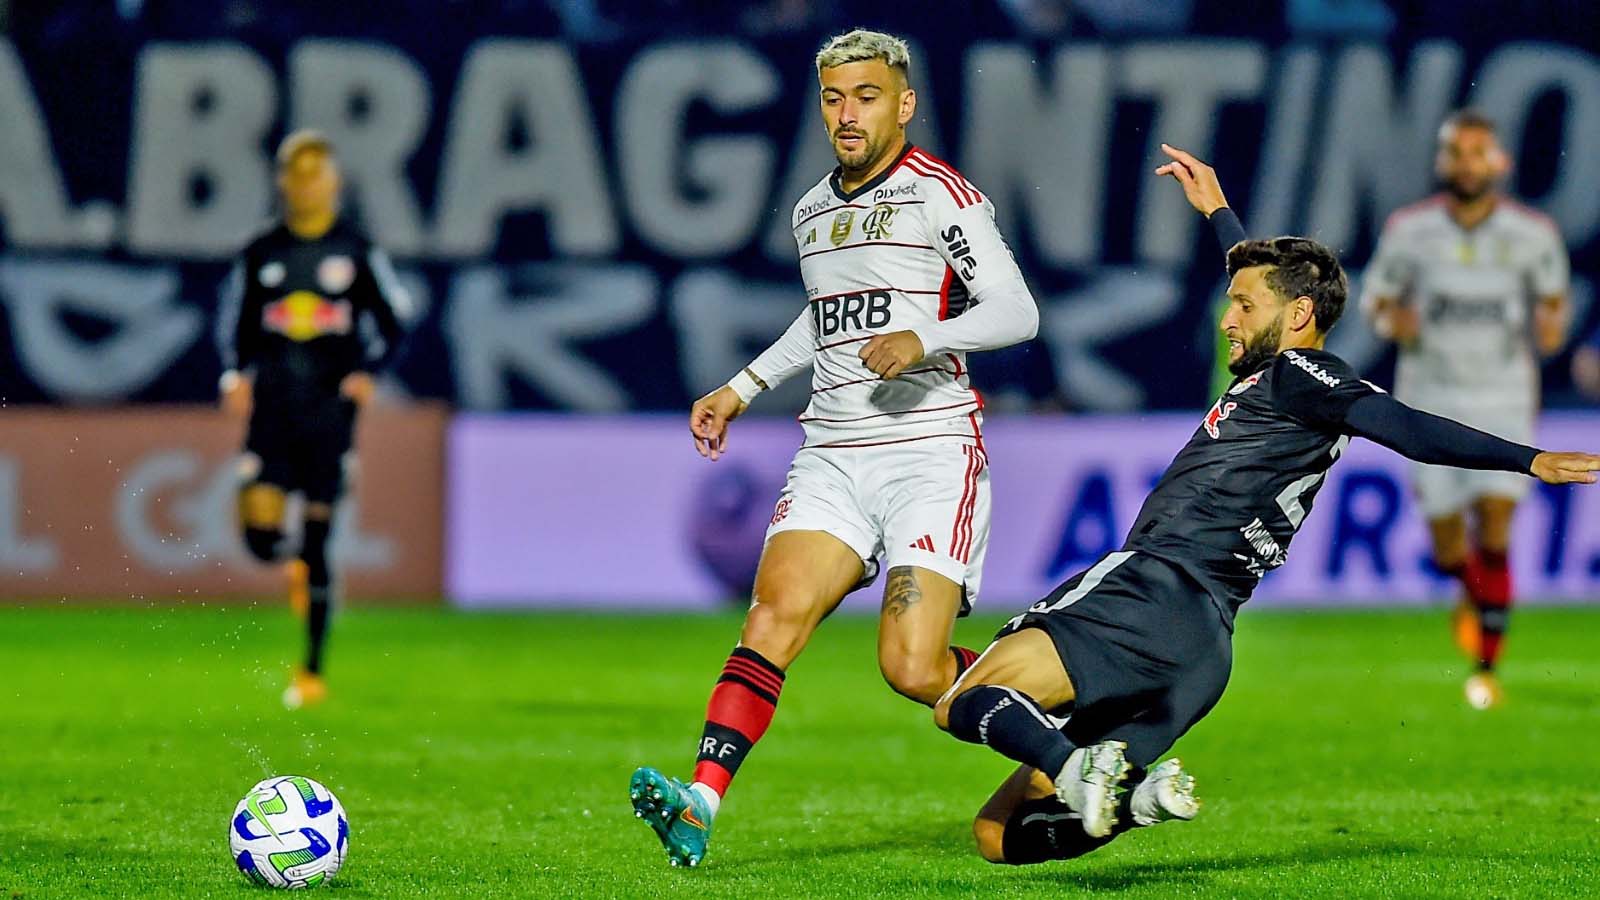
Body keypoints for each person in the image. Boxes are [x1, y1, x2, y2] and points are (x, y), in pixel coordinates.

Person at [928, 144, 1598, 863]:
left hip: (1154, 588)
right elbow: (1265, 286)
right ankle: (1139, 799)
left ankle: (1073, 767)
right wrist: (1219, 214)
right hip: (1203, 649)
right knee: (999, 836)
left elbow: (1402, 426)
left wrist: (1527, 459)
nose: (1228, 321)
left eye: (1243, 307)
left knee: (961, 699)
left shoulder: (1300, 374)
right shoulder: (1287, 379)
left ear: (1301, 315)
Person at [629, 29, 1039, 868]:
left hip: (927, 449)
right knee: (772, 616)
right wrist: (741, 386)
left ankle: (1061, 720)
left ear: (904, 103)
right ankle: (700, 802)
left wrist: (925, 336)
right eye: (833, 98)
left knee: (913, 668)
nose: (847, 114)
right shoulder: (812, 209)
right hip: (833, 454)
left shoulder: (942, 196)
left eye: (866, 96)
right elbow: (822, 318)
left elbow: (1016, 311)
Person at [1361, 110, 1571, 707]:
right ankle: (1466, 586)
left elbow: (1554, 302)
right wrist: (1389, 319)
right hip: (1431, 401)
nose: (1469, 163)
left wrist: (1551, 326)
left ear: (1499, 163)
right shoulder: (1409, 230)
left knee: (1498, 528)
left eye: (1480, 153)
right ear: (1443, 162)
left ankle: (1486, 666)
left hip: (1504, 395)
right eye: (1458, 152)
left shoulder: (1534, 234)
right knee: (1451, 548)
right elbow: (1375, 302)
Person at [217, 130, 411, 709]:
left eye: (315, 175)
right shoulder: (263, 252)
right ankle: (290, 562)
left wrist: (370, 371)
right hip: (273, 407)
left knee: (321, 535)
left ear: (333, 183)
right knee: (259, 534)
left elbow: (395, 319)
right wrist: (235, 373)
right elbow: (239, 323)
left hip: (329, 409)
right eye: (295, 176)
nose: (305, 186)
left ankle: (311, 671)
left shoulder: (354, 250)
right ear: (283, 183)